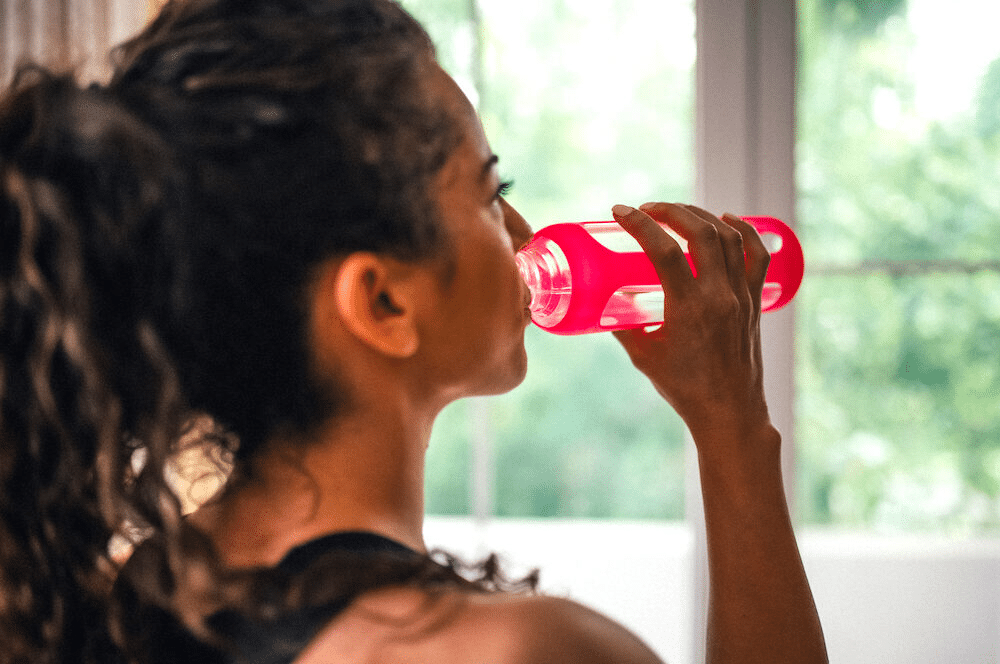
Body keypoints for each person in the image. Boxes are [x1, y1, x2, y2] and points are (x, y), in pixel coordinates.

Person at [0, 0, 828, 662]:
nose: (521, 226)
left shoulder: (117, 605)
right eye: (483, 189)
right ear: (383, 304)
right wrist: (733, 436)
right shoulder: (520, 653)